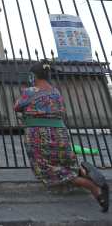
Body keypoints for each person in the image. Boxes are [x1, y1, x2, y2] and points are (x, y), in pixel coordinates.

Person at [15, 60, 109, 212]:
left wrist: (24, 92)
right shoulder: (55, 92)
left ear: (33, 76)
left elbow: (17, 106)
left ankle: (92, 186)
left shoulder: (30, 91)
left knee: (46, 168)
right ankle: (84, 172)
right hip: (60, 133)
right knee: (64, 162)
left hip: (39, 135)